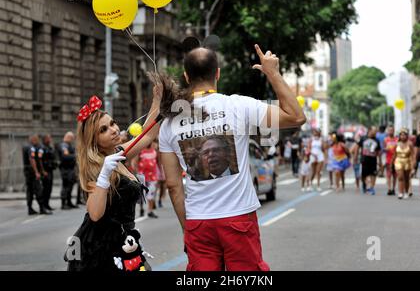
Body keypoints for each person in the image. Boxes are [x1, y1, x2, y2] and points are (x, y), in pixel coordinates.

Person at [159, 44, 306, 271]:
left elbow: (173, 185)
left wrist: (188, 229)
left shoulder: (170, 123)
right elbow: (296, 117)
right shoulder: (238, 105)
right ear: (218, 72)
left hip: (199, 222)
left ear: (186, 77)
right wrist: (273, 73)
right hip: (239, 218)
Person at [65, 76, 162, 271]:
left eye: (112, 123)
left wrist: (158, 98)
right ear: (94, 139)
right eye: (103, 129)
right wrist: (104, 175)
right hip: (101, 247)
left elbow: (148, 135)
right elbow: (94, 214)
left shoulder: (118, 153)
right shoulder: (95, 167)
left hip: (125, 239)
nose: (113, 129)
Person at [22, 134, 52, 215]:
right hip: (32, 172)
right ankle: (42, 208)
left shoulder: (25, 147)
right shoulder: (31, 148)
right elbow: (32, 159)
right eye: (36, 139)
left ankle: (30, 208)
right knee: (38, 189)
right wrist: (37, 172)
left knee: (30, 190)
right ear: (33, 139)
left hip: (27, 171)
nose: (37, 141)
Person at [136, 140, 159, 218]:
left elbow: (158, 162)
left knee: (151, 193)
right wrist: (136, 173)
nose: (149, 143)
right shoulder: (140, 151)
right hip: (142, 176)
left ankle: (150, 211)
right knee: (142, 193)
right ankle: (141, 209)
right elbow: (135, 162)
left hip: (152, 176)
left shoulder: (154, 151)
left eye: (150, 142)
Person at [358, 126, 382, 195]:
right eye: (374, 131)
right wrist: (356, 157)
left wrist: (380, 161)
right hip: (364, 159)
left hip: (373, 160)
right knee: (364, 175)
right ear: (370, 130)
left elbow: (378, 151)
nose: (376, 132)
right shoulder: (363, 138)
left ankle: (371, 187)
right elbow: (357, 147)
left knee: (373, 174)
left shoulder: (377, 140)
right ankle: (365, 185)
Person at [392, 128, 415, 199]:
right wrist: (391, 163)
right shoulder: (397, 144)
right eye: (401, 135)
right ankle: (400, 192)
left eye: (404, 135)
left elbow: (413, 155)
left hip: (407, 161)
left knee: (406, 178)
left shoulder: (410, 144)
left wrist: (413, 166)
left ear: (407, 136)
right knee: (400, 177)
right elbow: (394, 155)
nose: (403, 136)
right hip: (398, 161)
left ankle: (406, 191)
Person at [58, 131, 78, 209]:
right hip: (65, 169)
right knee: (66, 186)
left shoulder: (68, 145)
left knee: (70, 186)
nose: (73, 140)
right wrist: (76, 156)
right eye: (72, 138)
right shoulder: (64, 145)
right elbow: (65, 156)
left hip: (70, 169)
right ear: (69, 137)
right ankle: (64, 203)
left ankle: (69, 202)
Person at [41, 134, 57, 211]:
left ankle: (47, 204)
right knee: (45, 189)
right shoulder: (42, 148)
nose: (50, 140)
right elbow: (40, 160)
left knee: (49, 188)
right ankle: (43, 205)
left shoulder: (49, 147)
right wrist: (43, 171)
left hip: (50, 170)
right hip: (45, 171)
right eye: (48, 138)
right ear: (44, 139)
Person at [384, 126, 398, 196]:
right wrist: (385, 149)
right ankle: (389, 189)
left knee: (395, 175)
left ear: (394, 131)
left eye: (392, 130)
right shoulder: (386, 139)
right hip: (388, 159)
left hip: (396, 159)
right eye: (389, 130)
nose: (390, 132)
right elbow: (384, 148)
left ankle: (393, 188)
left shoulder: (397, 139)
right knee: (388, 175)